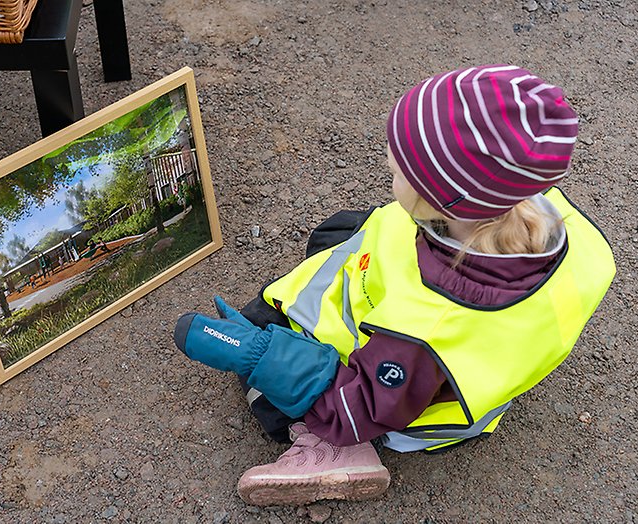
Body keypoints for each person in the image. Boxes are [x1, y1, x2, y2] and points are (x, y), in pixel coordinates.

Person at [173, 64, 615, 506]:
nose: (388, 162)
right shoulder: (524, 201)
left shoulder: (431, 326)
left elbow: (370, 400)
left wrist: (260, 355)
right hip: (421, 338)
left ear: (440, 199)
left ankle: (338, 450)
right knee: (339, 231)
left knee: (264, 373)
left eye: (400, 168)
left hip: (396, 392)